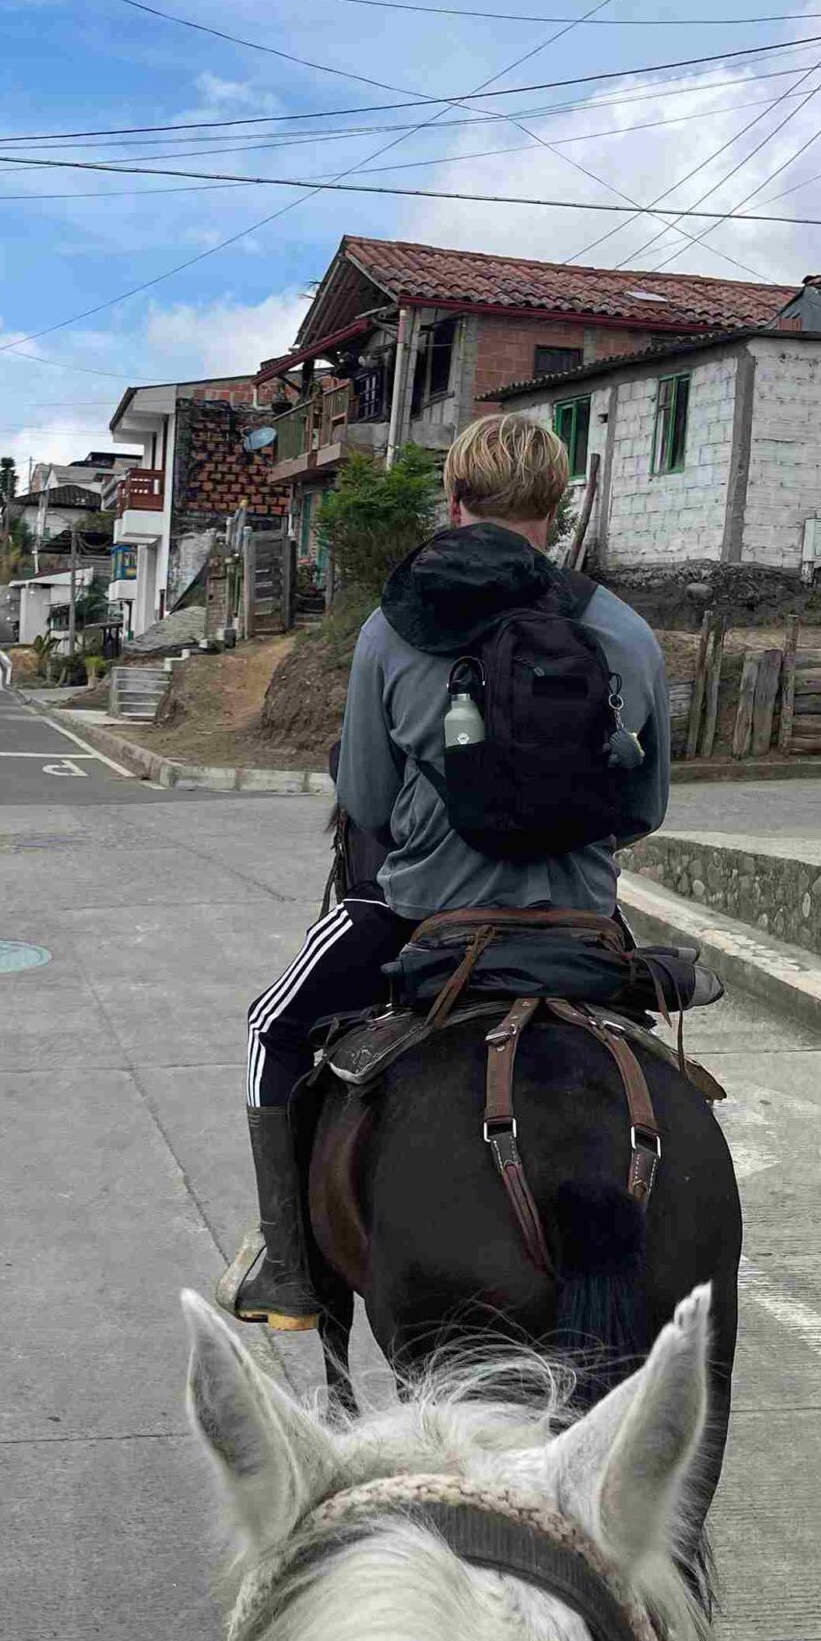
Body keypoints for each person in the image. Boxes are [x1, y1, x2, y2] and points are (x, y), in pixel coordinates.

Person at [218, 410, 672, 1329]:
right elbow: (644, 808)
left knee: (275, 1029)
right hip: (578, 917)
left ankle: (294, 1272)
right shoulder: (624, 631)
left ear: (455, 500)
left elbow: (372, 805)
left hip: (421, 912)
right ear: (560, 502)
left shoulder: (397, 625)